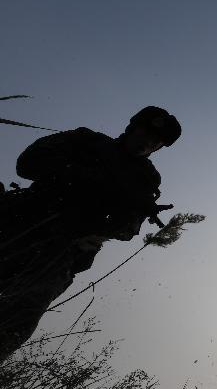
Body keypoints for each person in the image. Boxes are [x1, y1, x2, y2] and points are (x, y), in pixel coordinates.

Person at [0, 106, 181, 361]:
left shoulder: (146, 179)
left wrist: (118, 216)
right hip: (18, 222)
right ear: (132, 128)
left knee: (17, 319)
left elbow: (128, 230)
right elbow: (27, 164)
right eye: (145, 134)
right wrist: (84, 177)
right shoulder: (86, 140)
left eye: (155, 142)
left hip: (59, 253)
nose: (147, 143)